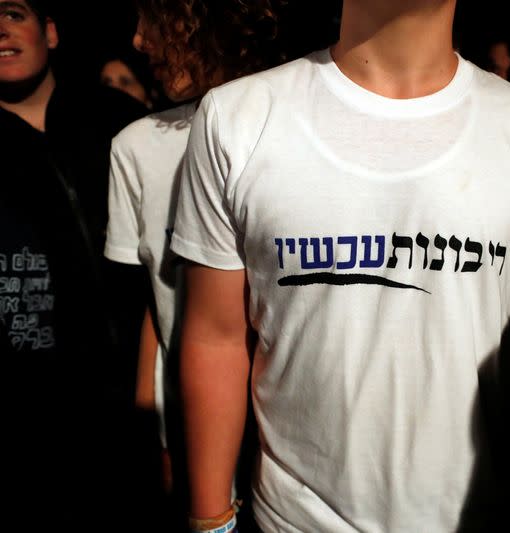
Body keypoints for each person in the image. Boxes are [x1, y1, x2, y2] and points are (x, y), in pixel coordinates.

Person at [170, 0, 510, 531]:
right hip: (293, 519)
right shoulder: (237, 117)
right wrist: (211, 520)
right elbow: (215, 335)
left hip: (477, 511)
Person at [104, 0, 283, 529]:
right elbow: (158, 303)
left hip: (289, 441)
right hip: (191, 433)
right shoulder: (135, 146)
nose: (139, 41)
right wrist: (151, 420)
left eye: (153, 19)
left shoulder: (290, 128)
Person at [0, 0, 147, 526]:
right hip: (31, 425)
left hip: (140, 400)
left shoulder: (120, 121)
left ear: (51, 32)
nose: (0, 30)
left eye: (12, 12)